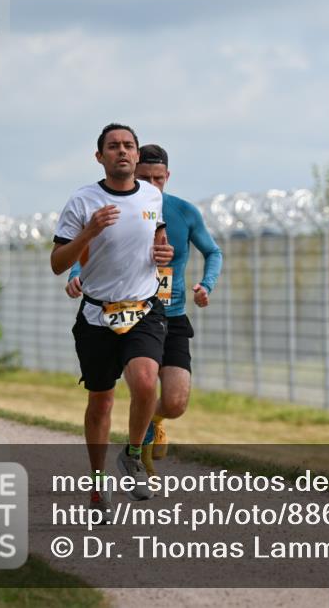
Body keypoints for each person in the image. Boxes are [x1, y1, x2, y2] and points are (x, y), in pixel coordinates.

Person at [66, 143, 223, 476]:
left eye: (159, 179)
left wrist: (206, 284)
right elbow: (94, 254)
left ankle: (152, 421)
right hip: (133, 312)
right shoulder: (117, 208)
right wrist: (75, 274)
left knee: (177, 402)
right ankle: (131, 451)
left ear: (168, 177)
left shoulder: (183, 212)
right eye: (145, 178)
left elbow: (214, 252)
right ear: (134, 172)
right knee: (137, 383)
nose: (152, 186)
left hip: (174, 314)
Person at [51, 123, 174, 507]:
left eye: (128, 146)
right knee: (101, 402)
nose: (122, 151)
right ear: (100, 156)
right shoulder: (82, 201)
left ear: (137, 156)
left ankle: (133, 455)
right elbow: (57, 263)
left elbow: (158, 241)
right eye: (113, 146)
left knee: (144, 381)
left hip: (143, 308)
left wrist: (163, 254)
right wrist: (88, 233)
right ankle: (98, 481)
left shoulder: (152, 196)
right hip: (97, 315)